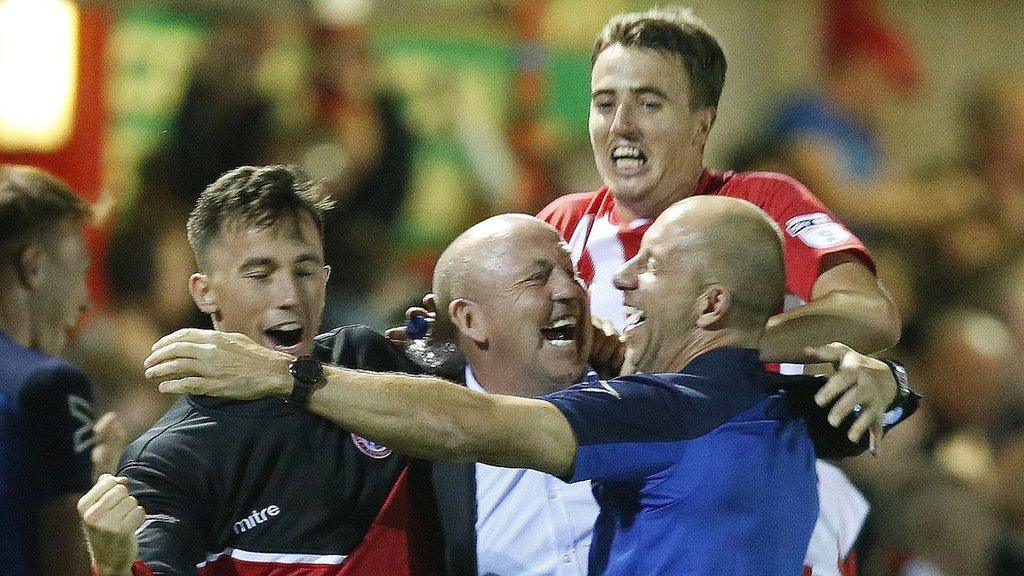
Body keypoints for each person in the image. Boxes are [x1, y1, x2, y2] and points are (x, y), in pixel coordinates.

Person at [145, 196, 910, 576]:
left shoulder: (655, 398)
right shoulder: (403, 394)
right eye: (538, 278)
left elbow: (466, 425)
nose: (582, 290)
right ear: (468, 320)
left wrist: (882, 381)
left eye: (571, 270)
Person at [533, 8, 905, 574]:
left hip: (762, 525)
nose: (621, 125)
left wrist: (714, 358)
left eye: (649, 103)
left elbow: (867, 313)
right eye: (605, 103)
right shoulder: (565, 225)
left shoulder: (760, 203)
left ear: (701, 124)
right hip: (618, 529)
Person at [76, 165, 444, 576]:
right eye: (260, 274)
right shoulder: (169, 461)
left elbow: (471, 423)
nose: (289, 295)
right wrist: (113, 565)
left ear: (325, 279)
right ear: (205, 292)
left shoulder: (367, 358)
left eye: (304, 271)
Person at [0, 165, 125, 576]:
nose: (86, 300)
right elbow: (67, 563)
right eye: (80, 267)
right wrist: (95, 490)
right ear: (33, 267)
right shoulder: (51, 386)